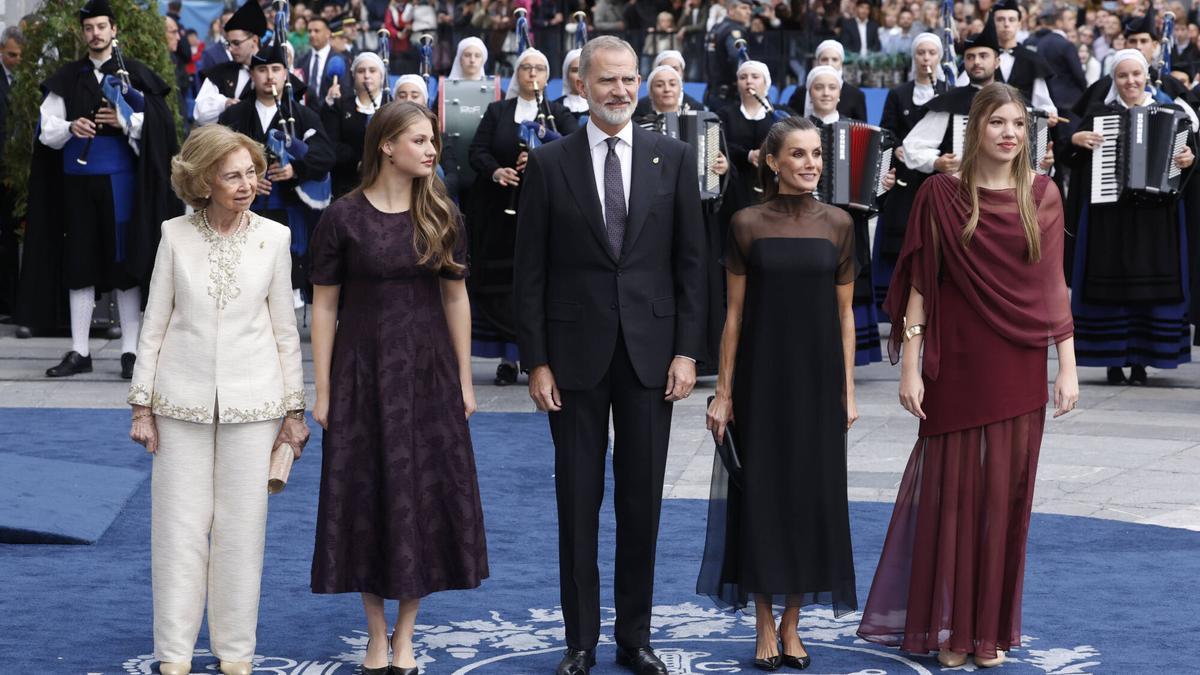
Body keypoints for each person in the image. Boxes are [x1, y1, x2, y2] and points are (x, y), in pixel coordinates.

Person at [857, 82, 1078, 670]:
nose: (1010, 133)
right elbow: (921, 285)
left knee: (1005, 500)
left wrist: (1067, 367)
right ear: (976, 126)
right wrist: (910, 367)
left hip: (1018, 361)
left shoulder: (1043, 195)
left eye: (1019, 124)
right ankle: (950, 630)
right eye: (998, 122)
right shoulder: (939, 194)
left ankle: (988, 631)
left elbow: (1053, 285)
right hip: (954, 360)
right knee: (951, 497)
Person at [513, 35, 705, 675]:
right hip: (572, 359)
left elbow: (691, 264)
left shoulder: (673, 157)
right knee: (577, 503)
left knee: (641, 504)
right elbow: (529, 274)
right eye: (606, 80)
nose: (619, 91)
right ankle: (581, 642)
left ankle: (635, 637)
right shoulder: (549, 163)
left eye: (628, 79)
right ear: (581, 85)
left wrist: (687, 351)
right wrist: (537, 361)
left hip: (652, 357)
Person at [309, 101, 488, 675]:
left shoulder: (442, 213)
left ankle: (405, 634)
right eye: (419, 140)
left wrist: (464, 380)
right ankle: (374, 634)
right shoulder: (342, 217)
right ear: (386, 146)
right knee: (364, 498)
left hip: (428, 375)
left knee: (422, 499)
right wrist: (323, 389)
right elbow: (324, 307)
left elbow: (457, 298)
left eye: (433, 140)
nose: (432, 150)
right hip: (361, 375)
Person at [128, 124, 309, 675]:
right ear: (203, 181)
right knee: (178, 531)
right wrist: (141, 405)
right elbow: (155, 323)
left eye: (252, 172)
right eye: (233, 176)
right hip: (178, 402)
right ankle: (174, 654)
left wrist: (294, 410)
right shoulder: (174, 234)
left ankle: (236, 653)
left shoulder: (275, 237)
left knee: (241, 533)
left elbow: (285, 331)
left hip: (255, 405)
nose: (247, 184)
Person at [700, 115, 858, 672]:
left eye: (816, 154)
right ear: (772, 162)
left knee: (811, 497)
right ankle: (764, 619)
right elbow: (734, 316)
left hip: (818, 382)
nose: (810, 164)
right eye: (797, 154)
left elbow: (845, 316)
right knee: (762, 497)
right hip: (760, 380)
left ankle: (793, 622)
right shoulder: (745, 223)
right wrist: (723, 392)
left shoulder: (840, 224)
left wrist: (848, 390)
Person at [17, 0, 178, 376]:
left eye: (102, 26)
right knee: (80, 262)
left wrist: (125, 122)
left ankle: (130, 352)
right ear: (83, 33)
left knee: (124, 264)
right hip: (77, 185)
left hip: (121, 185)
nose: (95, 33)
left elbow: (160, 127)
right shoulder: (67, 78)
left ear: (114, 29)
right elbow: (47, 129)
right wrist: (71, 127)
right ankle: (79, 351)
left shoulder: (134, 75)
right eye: (89, 28)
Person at [1064, 50, 1196, 384]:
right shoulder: (1099, 114)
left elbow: (1189, 156)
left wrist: (1188, 159)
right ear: (1114, 80)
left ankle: (1141, 361)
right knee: (1110, 287)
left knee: (1151, 289)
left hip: (1156, 217)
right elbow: (1068, 154)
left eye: (1136, 74)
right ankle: (1113, 361)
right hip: (1109, 216)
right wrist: (1076, 139)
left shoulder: (1172, 112)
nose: (1130, 81)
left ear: (1146, 76)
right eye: (1122, 76)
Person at [467, 47, 578, 386]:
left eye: (539, 68)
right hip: (501, 212)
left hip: (546, 211)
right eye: (526, 68)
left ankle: (537, 356)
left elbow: (576, 149)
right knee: (505, 286)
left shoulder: (557, 113)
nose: (532, 74)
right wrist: (497, 171)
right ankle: (507, 359)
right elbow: (477, 151)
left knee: (537, 283)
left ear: (548, 75)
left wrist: (543, 156)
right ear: (517, 74)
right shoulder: (498, 110)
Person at [217, 43, 335, 304]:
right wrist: (246, 180)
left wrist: (296, 169)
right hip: (242, 213)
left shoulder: (303, 116)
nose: (269, 76)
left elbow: (326, 155)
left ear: (286, 73)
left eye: (275, 69)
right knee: (244, 289)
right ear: (252, 74)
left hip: (289, 214)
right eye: (262, 70)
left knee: (287, 294)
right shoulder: (234, 115)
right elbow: (215, 158)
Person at [805, 65, 894, 365]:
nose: (825, 93)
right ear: (810, 92)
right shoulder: (799, 128)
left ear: (840, 94)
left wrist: (881, 184)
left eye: (832, 87)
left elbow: (872, 188)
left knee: (848, 283)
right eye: (819, 87)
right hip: (810, 219)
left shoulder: (856, 127)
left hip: (849, 222)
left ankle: (847, 356)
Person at [873, 32, 945, 312]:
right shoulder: (898, 93)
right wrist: (897, 148)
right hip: (905, 178)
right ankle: (899, 304)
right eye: (921, 53)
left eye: (931, 53)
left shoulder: (947, 93)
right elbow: (886, 131)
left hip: (937, 177)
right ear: (914, 57)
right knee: (901, 238)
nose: (926, 58)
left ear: (939, 57)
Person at [717, 59, 784, 217]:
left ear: (766, 83)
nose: (748, 81)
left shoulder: (779, 114)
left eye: (755, 77)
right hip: (735, 185)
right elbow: (721, 145)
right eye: (743, 77)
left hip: (771, 185)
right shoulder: (725, 114)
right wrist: (747, 155)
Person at [323, 52, 391, 198]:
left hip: (388, 183)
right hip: (347, 183)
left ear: (381, 76)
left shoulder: (391, 106)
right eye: (361, 71)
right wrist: (358, 163)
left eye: (372, 71)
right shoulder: (341, 105)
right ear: (353, 76)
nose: (366, 75)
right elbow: (331, 143)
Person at [194, 0, 267, 126]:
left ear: (254, 40)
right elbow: (199, 112)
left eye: (236, 43)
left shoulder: (272, 70)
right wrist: (224, 103)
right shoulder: (219, 72)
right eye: (228, 43)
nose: (230, 49)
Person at [785, 40, 868, 123]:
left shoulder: (856, 95)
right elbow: (790, 122)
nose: (829, 64)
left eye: (835, 59)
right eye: (824, 59)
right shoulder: (801, 93)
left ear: (841, 63)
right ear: (817, 62)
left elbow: (861, 127)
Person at [0, 26, 22, 319]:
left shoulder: (23, 80)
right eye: (12, 55)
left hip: (13, 169)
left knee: (10, 236)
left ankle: (9, 300)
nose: (17, 60)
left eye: (21, 56)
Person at [704, 0, 752, 111]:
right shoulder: (734, 30)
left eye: (750, 9)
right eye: (744, 8)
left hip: (713, 92)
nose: (749, 12)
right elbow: (737, 58)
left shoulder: (716, 28)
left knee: (714, 122)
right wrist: (747, 80)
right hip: (729, 97)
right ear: (731, 11)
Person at [633, 49, 703, 118]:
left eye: (675, 69)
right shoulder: (639, 108)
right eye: (659, 85)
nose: (667, 89)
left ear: (682, 72)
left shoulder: (697, 108)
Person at [295, 15, 333, 107]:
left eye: (316, 31)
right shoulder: (301, 61)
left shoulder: (339, 60)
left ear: (328, 33)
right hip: (306, 111)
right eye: (309, 31)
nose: (312, 35)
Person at [555, 48, 590, 123]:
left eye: (584, 70)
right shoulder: (555, 107)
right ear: (566, 75)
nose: (580, 75)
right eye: (575, 70)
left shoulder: (599, 105)